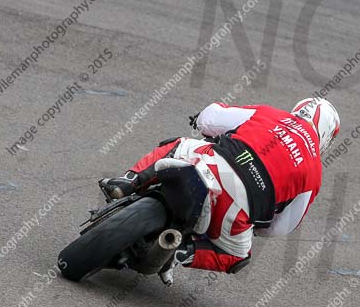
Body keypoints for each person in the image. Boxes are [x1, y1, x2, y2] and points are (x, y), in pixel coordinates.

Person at [99, 98, 340, 284]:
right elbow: (282, 227)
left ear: (296, 109)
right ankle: (180, 253)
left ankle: (127, 183)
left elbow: (210, 117)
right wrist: (254, 225)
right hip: (238, 206)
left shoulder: (269, 114)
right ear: (326, 137)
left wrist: (198, 120)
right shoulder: (315, 172)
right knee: (238, 257)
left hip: (212, 163)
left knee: (178, 145)